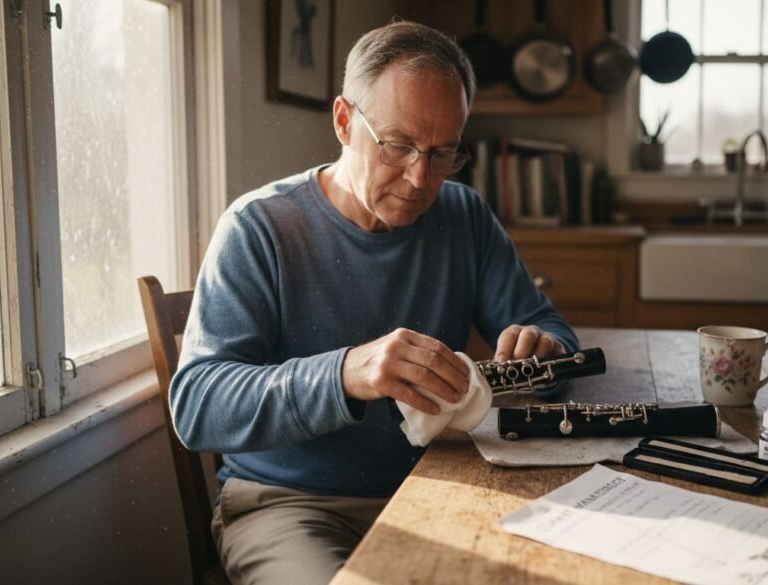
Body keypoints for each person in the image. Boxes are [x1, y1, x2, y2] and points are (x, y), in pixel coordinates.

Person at [170, 20, 579, 585]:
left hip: (440, 485)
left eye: (442, 154)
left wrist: (545, 348)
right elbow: (198, 406)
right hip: (293, 505)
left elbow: (554, 335)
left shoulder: (464, 216)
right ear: (343, 121)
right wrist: (344, 373)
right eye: (399, 146)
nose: (419, 178)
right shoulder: (257, 227)